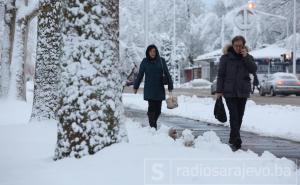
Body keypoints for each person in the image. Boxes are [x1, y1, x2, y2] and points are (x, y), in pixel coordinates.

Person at [216, 36, 257, 150]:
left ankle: (232, 137)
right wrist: (219, 91)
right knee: (234, 115)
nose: (238, 48)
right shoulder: (225, 58)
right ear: (232, 45)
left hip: (243, 91)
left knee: (240, 116)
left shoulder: (248, 57)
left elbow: (253, 69)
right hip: (229, 91)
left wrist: (246, 57)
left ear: (244, 46)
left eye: (241, 46)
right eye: (236, 46)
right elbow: (221, 75)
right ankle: (237, 138)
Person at [133, 44, 173, 130]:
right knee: (151, 108)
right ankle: (153, 126)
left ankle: (152, 122)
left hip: (159, 89)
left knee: (158, 110)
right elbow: (140, 75)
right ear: (148, 52)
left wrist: (170, 86)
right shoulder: (144, 61)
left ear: (156, 52)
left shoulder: (161, 61)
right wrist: (136, 86)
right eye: (151, 51)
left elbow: (167, 73)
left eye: (154, 51)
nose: (152, 53)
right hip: (149, 89)